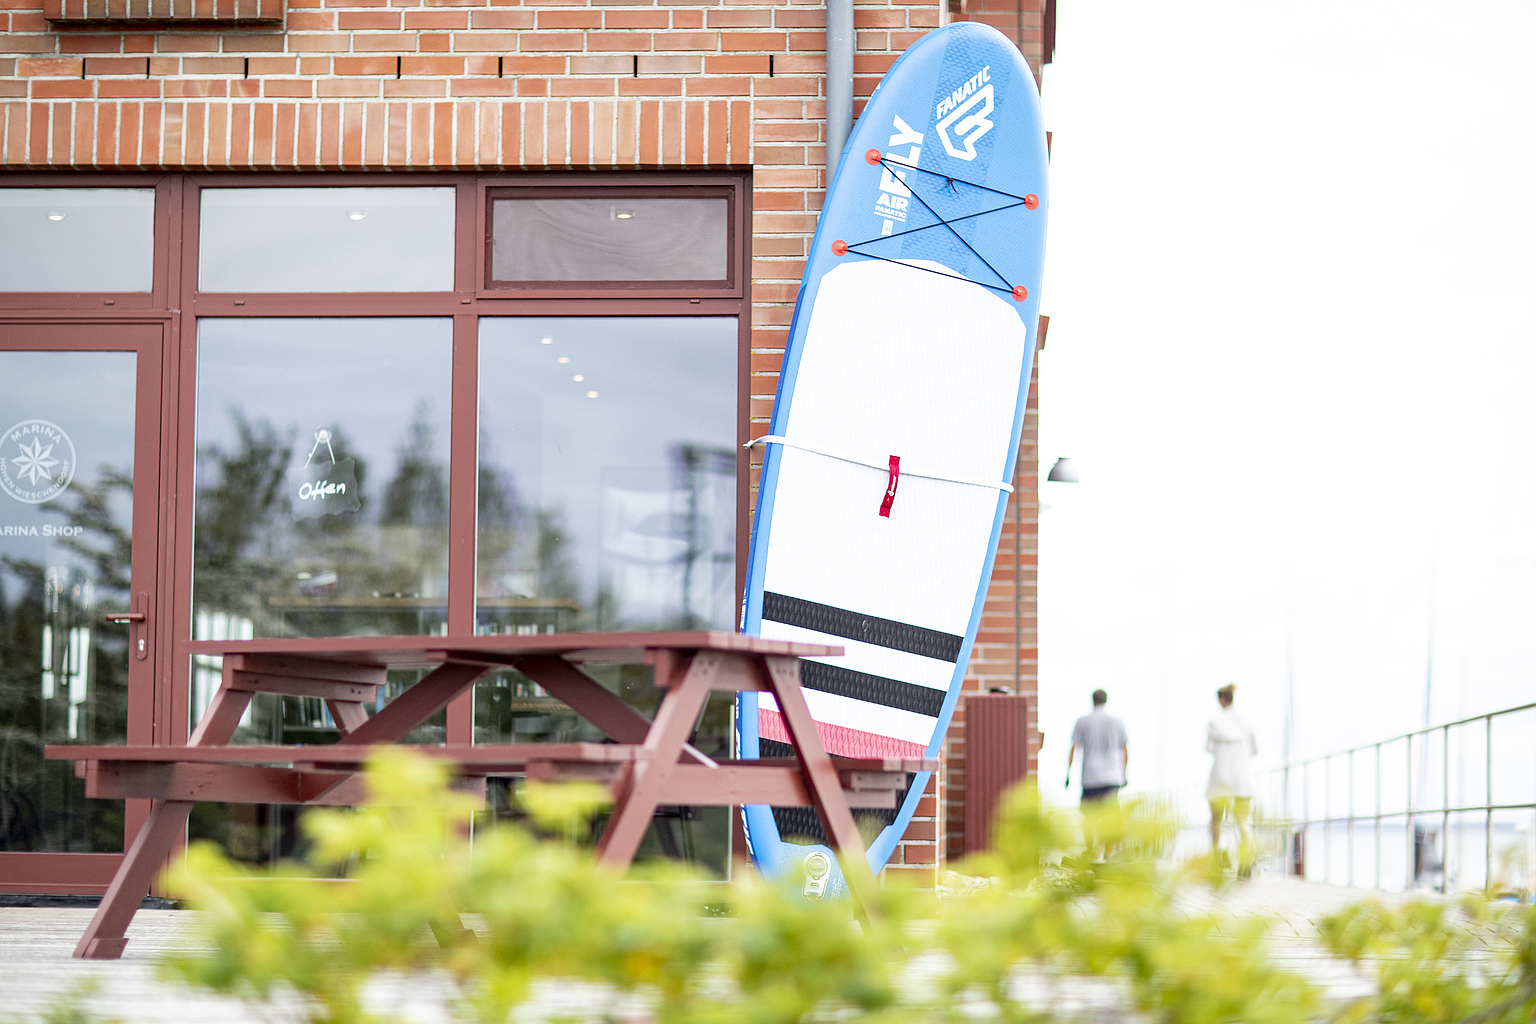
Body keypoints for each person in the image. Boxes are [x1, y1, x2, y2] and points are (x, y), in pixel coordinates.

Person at [1207, 683, 1258, 877]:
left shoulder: (1214, 722)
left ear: (1221, 699)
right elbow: (1255, 749)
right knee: (1243, 821)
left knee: (1216, 821)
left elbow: (1210, 749)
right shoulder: (1246, 722)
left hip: (1221, 776)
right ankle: (1246, 861)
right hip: (1243, 777)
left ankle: (1216, 858)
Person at [1066, 689, 1128, 804]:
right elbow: (1124, 750)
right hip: (1112, 777)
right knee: (1110, 818)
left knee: (1089, 818)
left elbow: (1074, 748)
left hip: (1090, 778)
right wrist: (1124, 775)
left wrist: (1068, 774)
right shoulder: (1117, 722)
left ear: (1092, 700)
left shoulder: (1083, 721)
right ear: (1106, 700)